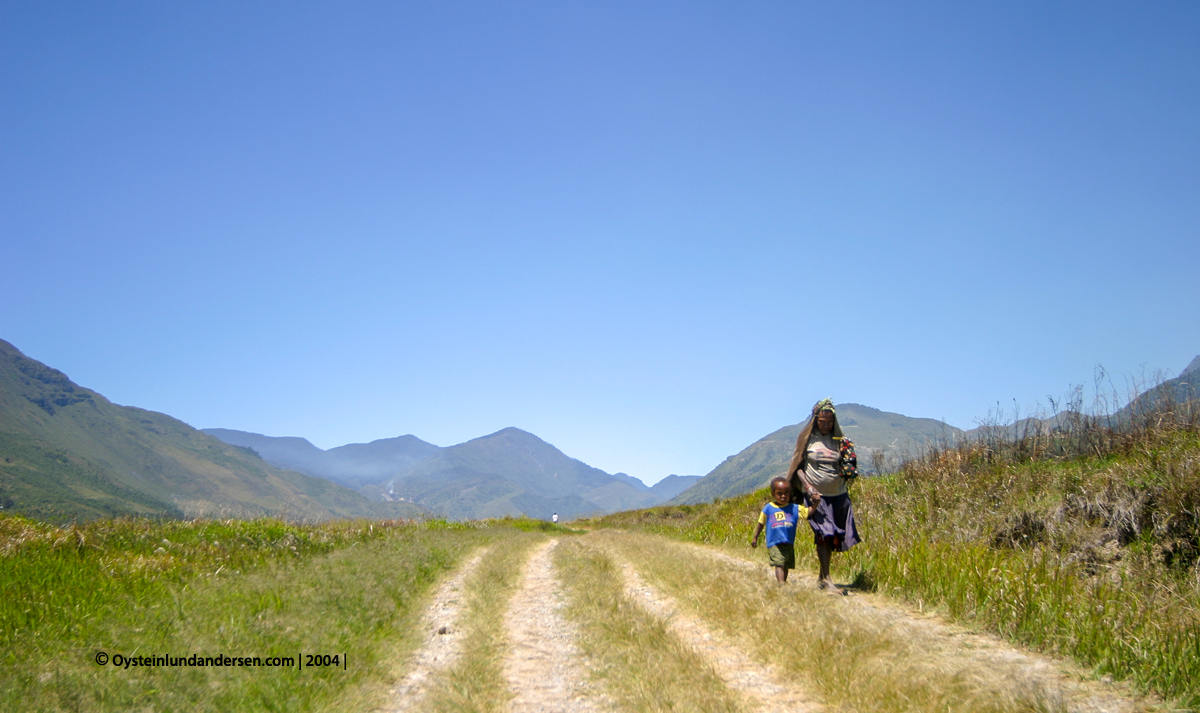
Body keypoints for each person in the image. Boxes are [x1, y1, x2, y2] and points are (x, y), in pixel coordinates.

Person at [786, 398, 860, 591]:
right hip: (816, 497)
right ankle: (827, 579)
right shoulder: (807, 439)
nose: (826, 425)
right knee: (823, 534)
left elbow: (847, 464)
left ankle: (822, 576)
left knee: (834, 535)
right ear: (815, 420)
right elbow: (798, 467)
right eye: (822, 421)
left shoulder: (839, 440)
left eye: (829, 421)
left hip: (839, 495)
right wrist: (808, 487)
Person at [750, 476, 809, 583]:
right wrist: (755, 537)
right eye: (779, 493)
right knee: (779, 563)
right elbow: (760, 523)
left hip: (788, 542)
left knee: (786, 564)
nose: (783, 496)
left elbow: (808, 512)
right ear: (773, 494)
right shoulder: (768, 508)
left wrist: (817, 503)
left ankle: (783, 582)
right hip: (774, 543)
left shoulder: (794, 508)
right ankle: (781, 584)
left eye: (786, 493)